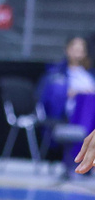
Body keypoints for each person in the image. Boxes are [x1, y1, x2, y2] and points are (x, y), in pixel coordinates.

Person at [39, 36, 95, 170]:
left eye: (81, 50)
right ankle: (81, 161)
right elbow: (46, 99)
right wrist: (69, 94)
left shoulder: (88, 76)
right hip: (64, 115)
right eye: (75, 49)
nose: (77, 53)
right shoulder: (55, 74)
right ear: (67, 50)